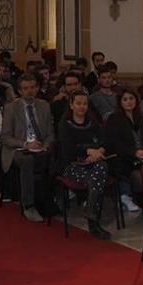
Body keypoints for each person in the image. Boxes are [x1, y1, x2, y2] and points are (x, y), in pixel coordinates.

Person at [56, 90, 111, 240]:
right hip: (72, 164)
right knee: (98, 175)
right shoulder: (64, 125)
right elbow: (68, 150)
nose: (82, 107)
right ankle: (93, 220)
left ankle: (91, 213)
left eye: (85, 103)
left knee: (100, 168)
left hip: (94, 163)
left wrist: (99, 151)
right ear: (71, 105)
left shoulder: (93, 122)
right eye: (78, 103)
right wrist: (89, 151)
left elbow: (105, 140)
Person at [0, 73, 55, 222]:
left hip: (40, 146)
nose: (29, 91)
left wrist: (46, 145)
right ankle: (28, 205)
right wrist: (25, 144)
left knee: (53, 156)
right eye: (25, 88)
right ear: (19, 90)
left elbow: (50, 133)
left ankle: (50, 200)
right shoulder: (11, 108)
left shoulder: (44, 106)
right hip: (18, 148)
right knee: (27, 160)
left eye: (32, 87)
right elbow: (5, 137)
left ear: (37, 88)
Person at [104, 89, 143, 212]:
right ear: (120, 102)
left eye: (131, 98)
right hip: (124, 158)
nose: (129, 102)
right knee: (138, 176)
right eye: (125, 99)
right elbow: (114, 143)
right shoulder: (114, 118)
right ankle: (142, 203)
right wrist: (134, 152)